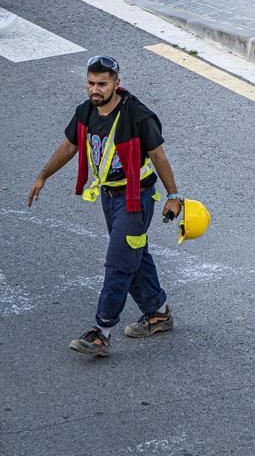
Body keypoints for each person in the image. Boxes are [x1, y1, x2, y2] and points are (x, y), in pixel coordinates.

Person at [26, 55, 183, 358]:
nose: (94, 90)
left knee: (118, 263)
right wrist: (43, 176)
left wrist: (174, 196)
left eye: (102, 84)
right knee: (134, 254)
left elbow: (160, 157)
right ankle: (157, 312)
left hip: (136, 198)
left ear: (116, 84)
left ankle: (102, 331)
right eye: (90, 83)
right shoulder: (86, 111)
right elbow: (70, 145)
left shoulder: (138, 116)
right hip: (109, 198)